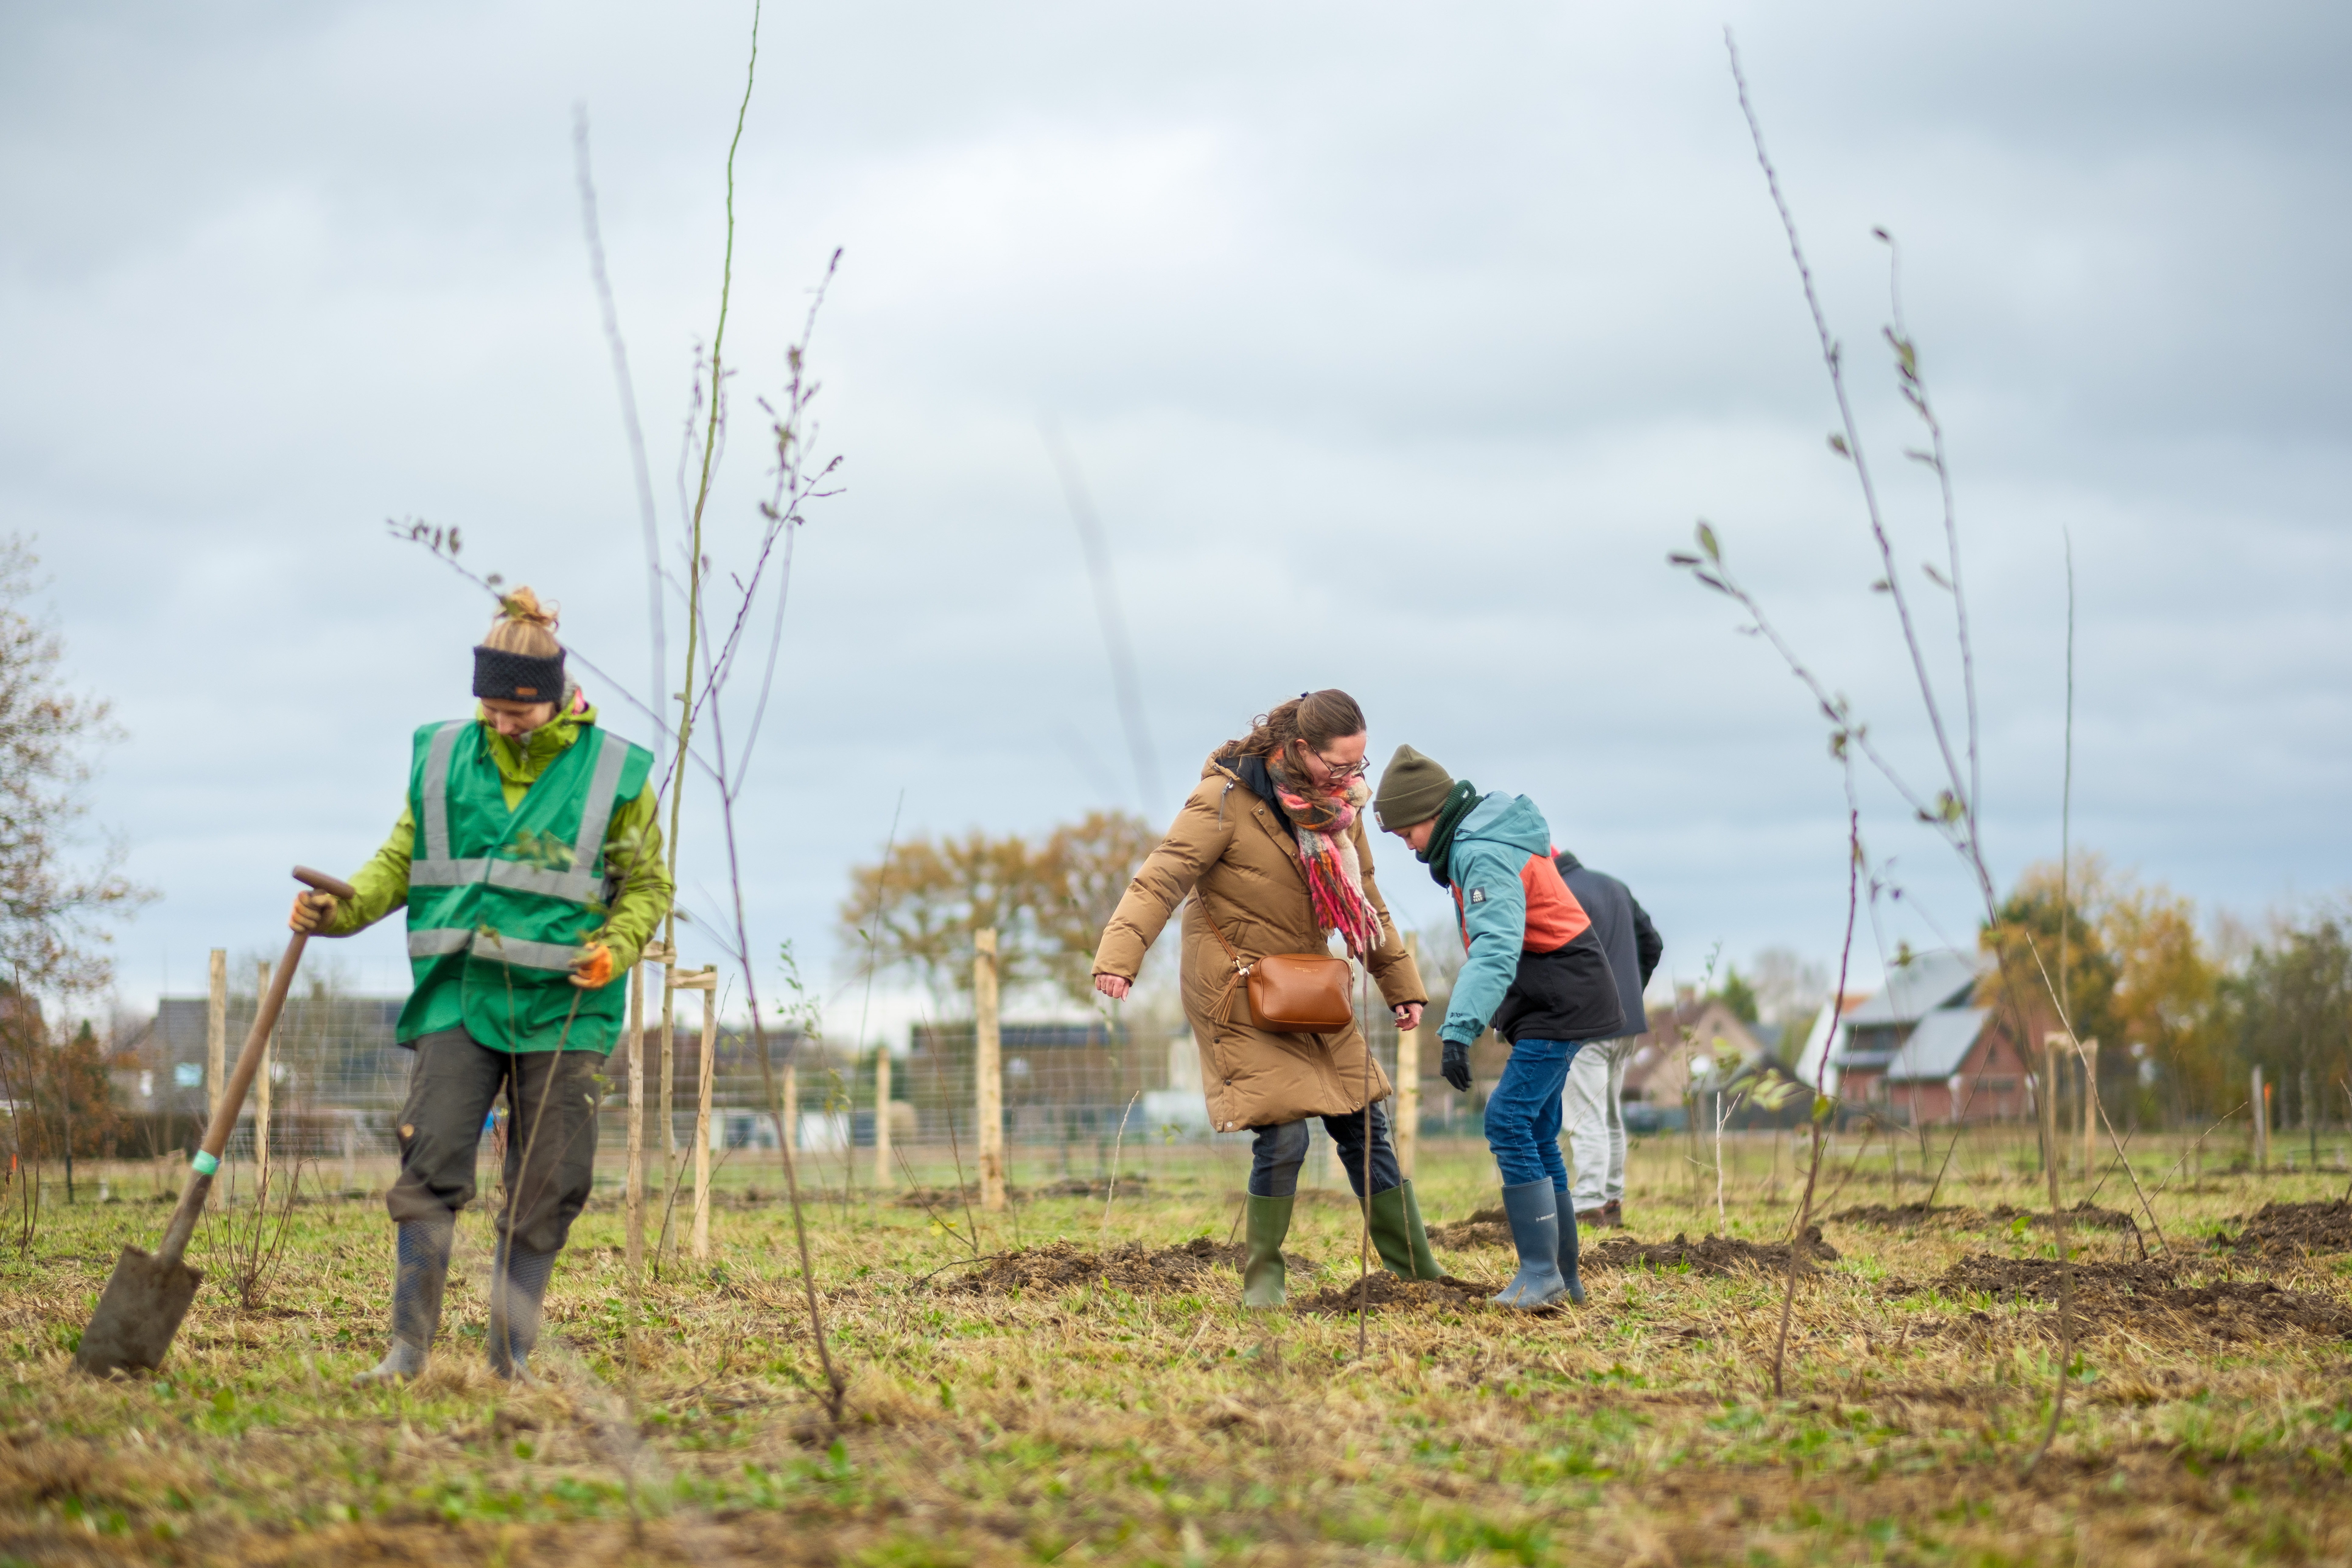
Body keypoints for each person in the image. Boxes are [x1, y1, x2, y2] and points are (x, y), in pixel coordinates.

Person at [291, 589, 672, 1382]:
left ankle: (511, 1356)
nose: (501, 724)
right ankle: (407, 1350)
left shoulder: (615, 773)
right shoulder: (442, 758)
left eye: (517, 713)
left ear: (557, 699)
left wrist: (619, 944)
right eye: (490, 709)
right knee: (429, 1161)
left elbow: (645, 888)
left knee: (550, 1182)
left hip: (566, 1005)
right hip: (462, 996)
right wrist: (340, 910)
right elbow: (401, 862)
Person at [1093, 690, 1442, 1307]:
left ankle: (1415, 1277)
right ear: (1300, 748)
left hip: (1309, 983)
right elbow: (1161, 877)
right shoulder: (1223, 799)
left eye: (1359, 766)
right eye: (1341, 766)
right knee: (1285, 1137)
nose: (1352, 780)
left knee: (1365, 1122)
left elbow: (1367, 900)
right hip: (1239, 987)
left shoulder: (1339, 812)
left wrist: (1400, 984)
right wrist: (1119, 958)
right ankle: (1264, 1283)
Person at [1373, 745, 1622, 1309]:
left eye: (1404, 832)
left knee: (1507, 1119)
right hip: (1561, 991)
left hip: (1562, 996)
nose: (1407, 846)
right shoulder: (1481, 838)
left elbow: (1496, 947)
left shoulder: (1479, 852)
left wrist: (1458, 1029)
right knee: (1534, 1129)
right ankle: (1563, 1276)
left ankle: (1541, 1275)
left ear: (1427, 812)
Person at [1553, 849, 1661, 1230]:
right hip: (1626, 1022)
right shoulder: (1616, 887)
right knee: (1610, 1113)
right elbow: (1654, 944)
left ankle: (1589, 1203)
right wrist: (1631, 993)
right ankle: (1612, 1199)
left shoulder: (1559, 891)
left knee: (1585, 1115)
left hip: (1587, 1022)